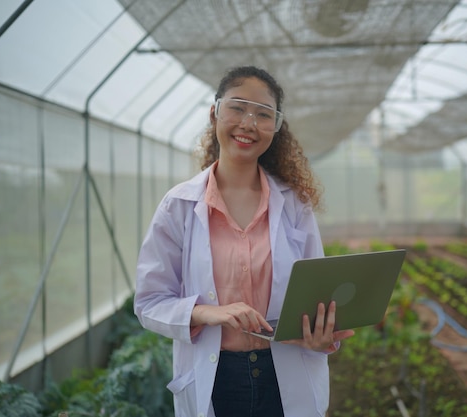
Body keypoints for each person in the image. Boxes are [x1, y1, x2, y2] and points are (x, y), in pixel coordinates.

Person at [134, 66, 354, 417]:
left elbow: (316, 292)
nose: (249, 123)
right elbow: (149, 302)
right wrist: (209, 313)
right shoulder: (179, 205)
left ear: (277, 127)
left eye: (264, 114)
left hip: (284, 379)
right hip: (218, 379)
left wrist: (320, 334)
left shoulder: (294, 204)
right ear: (215, 112)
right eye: (238, 107)